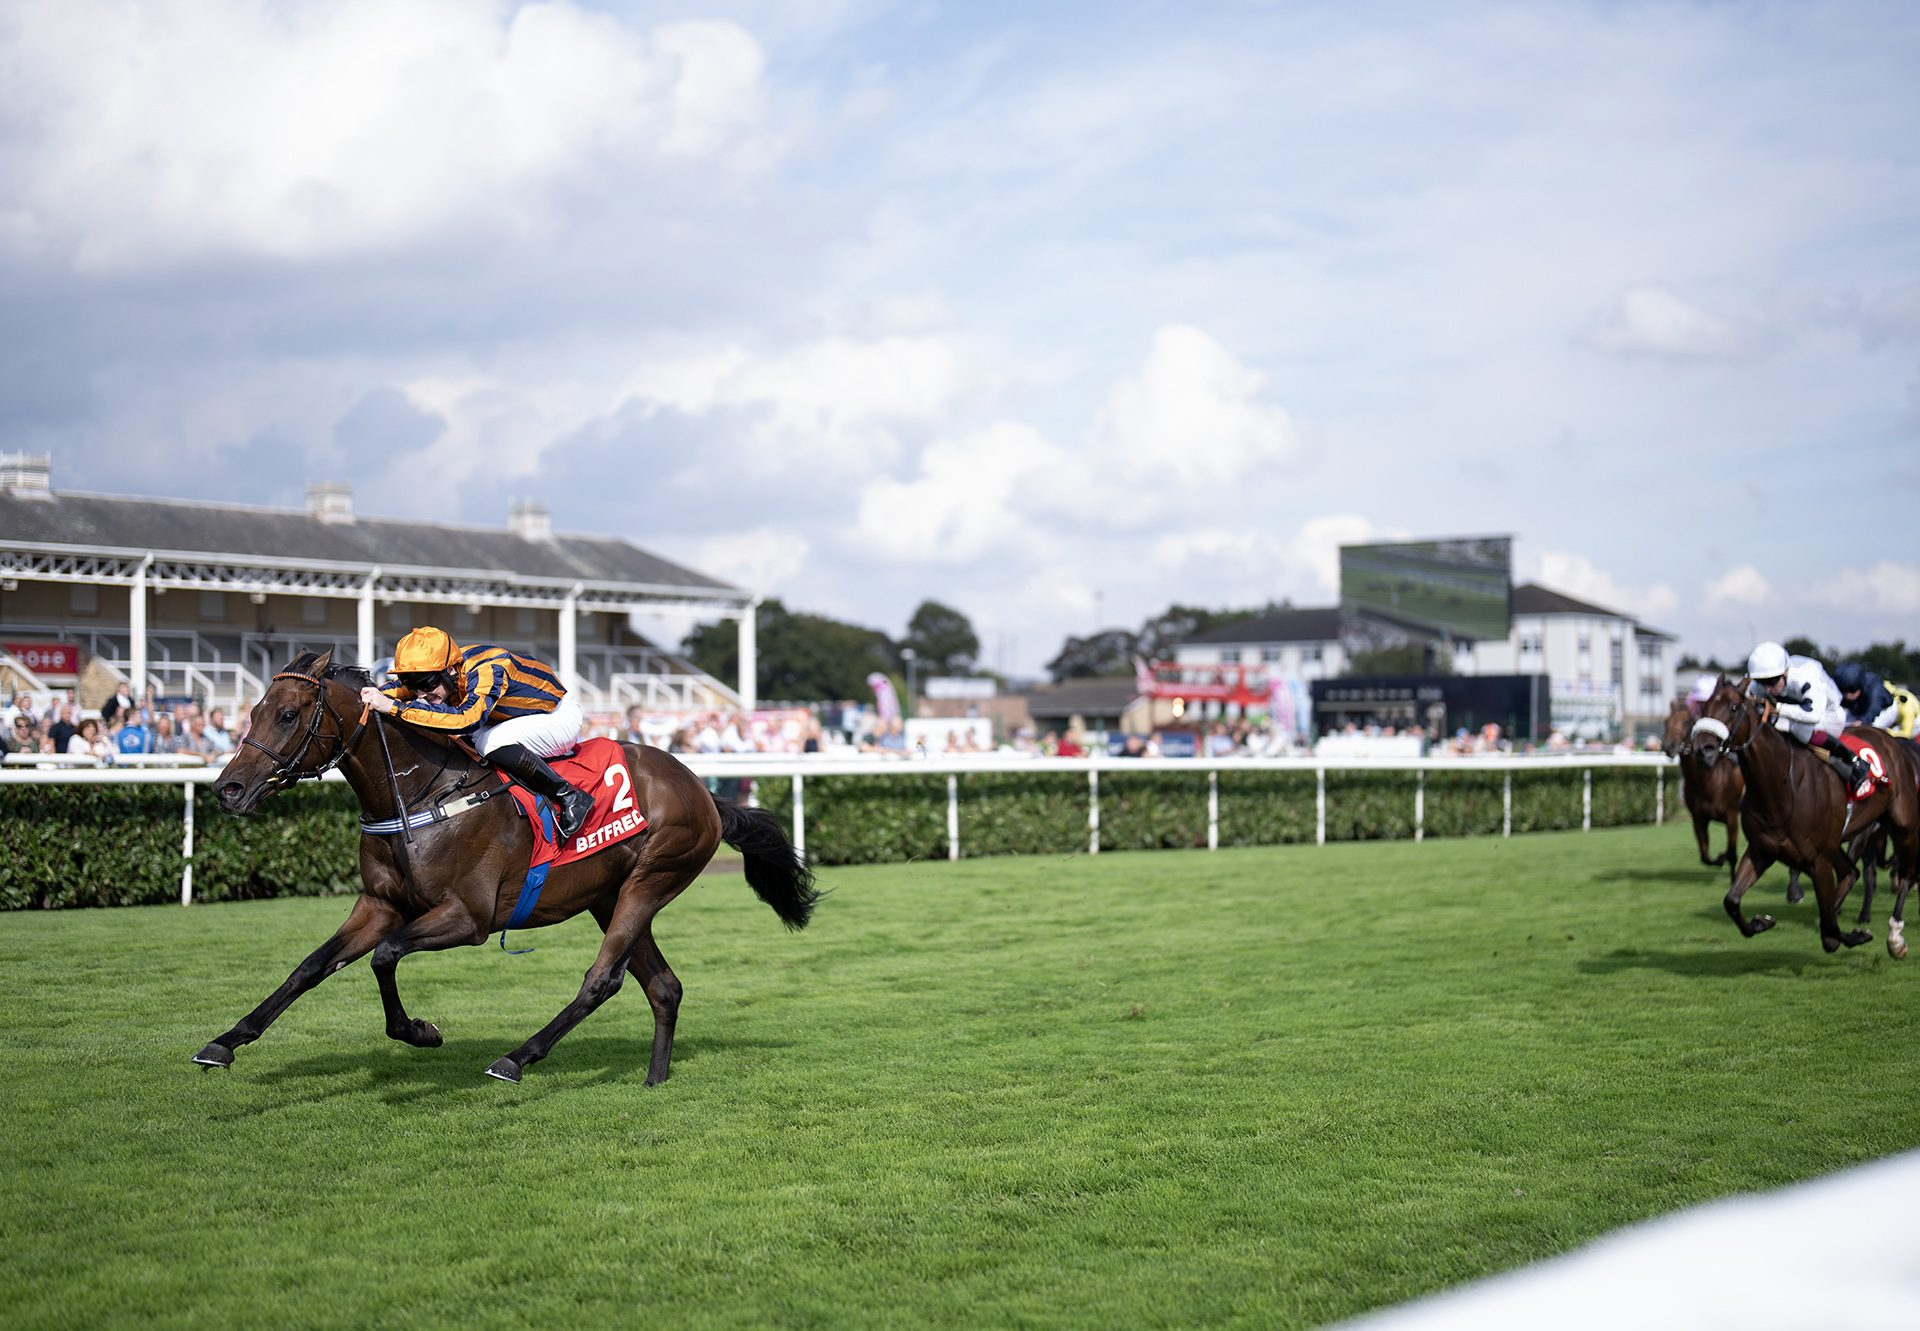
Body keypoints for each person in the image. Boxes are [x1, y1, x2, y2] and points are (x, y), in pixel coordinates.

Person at [359, 626, 595, 842]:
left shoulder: (488, 669)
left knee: (488, 742)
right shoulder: (439, 674)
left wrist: (394, 708)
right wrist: (371, 695)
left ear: (450, 669)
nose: (420, 694)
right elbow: (397, 690)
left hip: (557, 716)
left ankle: (568, 796)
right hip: (513, 717)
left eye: (427, 684)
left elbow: (467, 720)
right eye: (414, 686)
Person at [1745, 641, 1872, 789]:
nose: (1767, 688)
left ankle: (1853, 760)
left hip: (1829, 714)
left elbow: (1813, 715)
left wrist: (1778, 708)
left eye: (1772, 681)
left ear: (1785, 672)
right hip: (1798, 711)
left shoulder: (1805, 675)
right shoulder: (1764, 681)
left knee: (1797, 728)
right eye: (1762, 682)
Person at [1831, 662, 1899, 730]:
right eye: (1843, 689)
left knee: (1868, 730)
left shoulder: (1874, 686)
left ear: (1860, 684)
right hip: (1858, 709)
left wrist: (1862, 721)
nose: (1847, 694)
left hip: (1883, 710)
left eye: (1852, 689)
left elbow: (1874, 707)